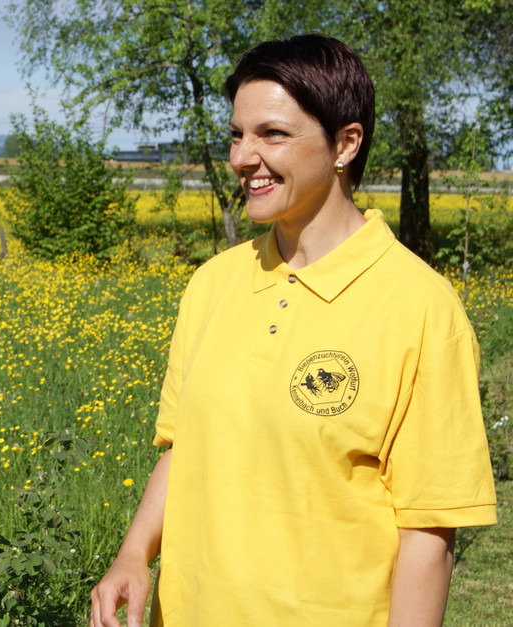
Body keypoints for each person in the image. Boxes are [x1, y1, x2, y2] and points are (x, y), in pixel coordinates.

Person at [90, 33, 497, 627]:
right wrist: (133, 554)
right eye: (237, 134)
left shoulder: (421, 307)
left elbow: (427, 533)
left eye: (273, 134)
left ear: (346, 143)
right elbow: (185, 450)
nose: (242, 157)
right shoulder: (212, 283)